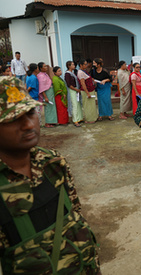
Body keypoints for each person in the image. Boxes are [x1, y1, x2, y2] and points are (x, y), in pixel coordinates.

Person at [0, 76, 101, 274]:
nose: (29, 125)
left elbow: (74, 214)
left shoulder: (53, 162)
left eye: (31, 113)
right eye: (14, 119)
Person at [37, 62, 58, 128]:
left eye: (46, 66)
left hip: (50, 92)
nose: (46, 67)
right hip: (46, 93)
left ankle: (52, 121)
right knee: (48, 108)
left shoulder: (45, 74)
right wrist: (45, 97)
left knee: (52, 107)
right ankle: (47, 122)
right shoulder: (40, 76)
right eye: (44, 66)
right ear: (41, 68)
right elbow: (41, 88)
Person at [77, 59, 98, 123]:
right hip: (87, 91)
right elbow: (83, 83)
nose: (87, 65)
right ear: (81, 65)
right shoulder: (80, 72)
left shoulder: (84, 71)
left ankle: (93, 117)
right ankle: (89, 119)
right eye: (85, 64)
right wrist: (87, 93)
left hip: (91, 90)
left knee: (92, 105)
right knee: (88, 106)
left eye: (87, 64)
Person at [65, 60, 84, 127]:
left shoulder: (73, 72)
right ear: (69, 66)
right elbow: (69, 84)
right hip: (72, 90)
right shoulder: (67, 74)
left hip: (76, 90)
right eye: (72, 65)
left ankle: (79, 118)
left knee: (78, 104)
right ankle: (75, 120)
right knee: (74, 105)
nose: (74, 66)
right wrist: (76, 89)